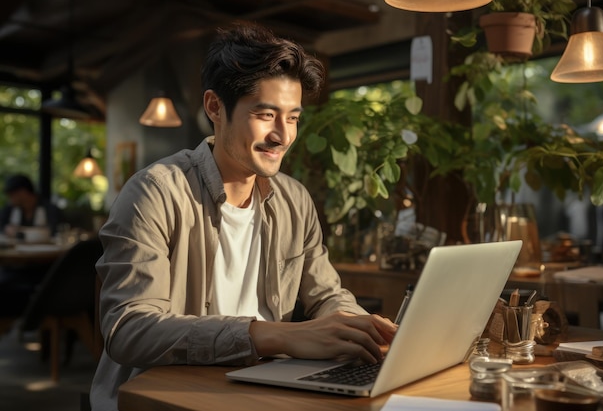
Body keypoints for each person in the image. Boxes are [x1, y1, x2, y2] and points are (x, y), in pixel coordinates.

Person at [90, 23, 397, 411]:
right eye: (266, 114)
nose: (282, 136)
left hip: (265, 387)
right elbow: (129, 330)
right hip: (167, 393)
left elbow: (326, 296)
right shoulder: (155, 191)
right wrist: (276, 336)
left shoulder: (294, 199)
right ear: (215, 107)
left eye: (293, 118)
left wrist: (361, 328)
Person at [0, 173, 63, 238]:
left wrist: (21, 232)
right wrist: (6, 229)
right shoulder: (10, 209)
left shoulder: (49, 209)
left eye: (11, 195)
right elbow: (2, 225)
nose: (10, 199)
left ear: (23, 192)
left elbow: (57, 231)